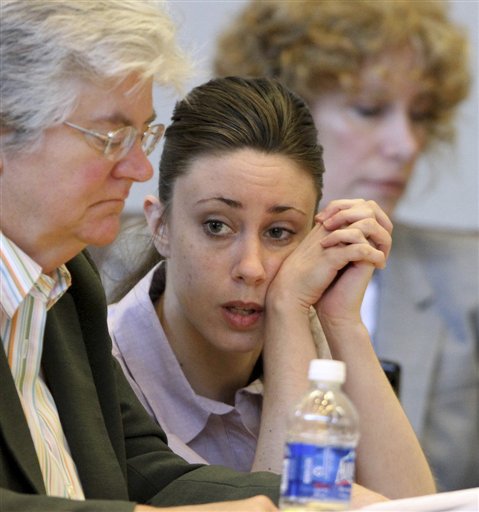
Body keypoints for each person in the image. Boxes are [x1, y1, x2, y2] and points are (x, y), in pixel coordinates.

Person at [0, 2, 288, 511]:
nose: (137, 168)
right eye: (112, 138)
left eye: (143, 136)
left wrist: (308, 501)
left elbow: (144, 471)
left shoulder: (67, 279)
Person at [108, 75, 435, 502]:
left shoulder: (304, 325)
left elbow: (418, 508)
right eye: (216, 226)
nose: (251, 267)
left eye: (279, 232)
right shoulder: (96, 363)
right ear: (160, 226)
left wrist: (340, 320)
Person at [213, 0, 478, 492]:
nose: (406, 143)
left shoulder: (468, 280)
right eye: (369, 110)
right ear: (282, 112)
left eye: (420, 115)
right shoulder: (195, 270)